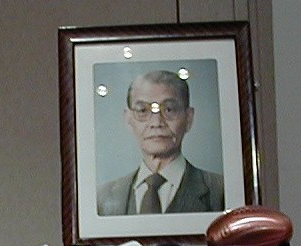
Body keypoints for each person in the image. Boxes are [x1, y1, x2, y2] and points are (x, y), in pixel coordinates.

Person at [96, 70, 224, 215]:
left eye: (169, 109)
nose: (156, 123)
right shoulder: (102, 198)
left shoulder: (220, 192)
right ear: (128, 119)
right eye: (143, 110)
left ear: (189, 118)